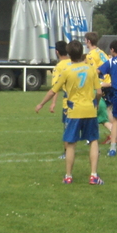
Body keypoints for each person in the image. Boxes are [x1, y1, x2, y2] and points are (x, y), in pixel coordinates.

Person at [35, 39, 104, 185]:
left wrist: (41, 104)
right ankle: (93, 176)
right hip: (90, 110)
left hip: (74, 111)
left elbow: (53, 90)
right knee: (93, 141)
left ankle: (68, 176)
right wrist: (96, 103)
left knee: (71, 144)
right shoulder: (91, 69)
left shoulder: (66, 71)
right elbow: (99, 92)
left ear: (69, 54)